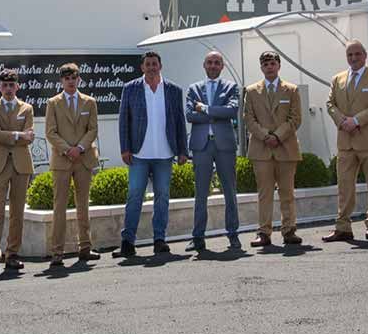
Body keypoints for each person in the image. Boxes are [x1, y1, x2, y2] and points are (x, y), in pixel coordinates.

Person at [115, 51, 188, 257]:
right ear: (142, 67)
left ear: (160, 66)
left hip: (165, 154)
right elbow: (123, 121)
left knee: (162, 197)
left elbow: (180, 121)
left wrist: (182, 150)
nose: (151, 67)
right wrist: (125, 148)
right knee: (134, 196)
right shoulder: (130, 89)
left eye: (154, 64)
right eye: (147, 64)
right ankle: (128, 241)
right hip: (139, 153)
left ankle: (159, 239)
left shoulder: (173, 90)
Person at [323, 40, 368, 242]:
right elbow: (330, 103)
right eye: (350, 55)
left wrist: (356, 121)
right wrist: (342, 120)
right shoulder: (337, 79)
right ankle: (343, 227)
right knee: (344, 187)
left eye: (357, 54)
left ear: (365, 55)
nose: (353, 58)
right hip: (346, 141)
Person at [243, 51, 303, 247]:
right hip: (261, 149)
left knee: (287, 192)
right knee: (264, 193)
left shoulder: (292, 90)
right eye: (265, 64)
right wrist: (265, 136)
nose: (269, 67)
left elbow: (295, 119)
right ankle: (264, 232)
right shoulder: (251, 91)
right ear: (261, 67)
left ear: (279, 65)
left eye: (272, 63)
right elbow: (248, 119)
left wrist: (277, 136)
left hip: (285, 148)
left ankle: (289, 230)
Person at [45, 63, 101, 265]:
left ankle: (85, 247)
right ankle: (57, 252)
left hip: (83, 159)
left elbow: (93, 130)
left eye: (73, 78)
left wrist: (80, 148)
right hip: (62, 159)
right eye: (66, 78)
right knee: (59, 206)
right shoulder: (53, 102)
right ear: (61, 81)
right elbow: (50, 132)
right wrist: (68, 149)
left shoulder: (89, 102)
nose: (70, 81)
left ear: (79, 79)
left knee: (83, 205)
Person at [185, 51, 241, 252]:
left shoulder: (231, 87)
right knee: (201, 193)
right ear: (204, 65)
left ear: (222, 66)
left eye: (217, 63)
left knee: (229, 191)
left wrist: (206, 109)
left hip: (224, 144)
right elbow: (190, 115)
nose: (213, 66)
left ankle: (233, 234)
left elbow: (231, 111)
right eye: (209, 62)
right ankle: (198, 237)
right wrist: (216, 113)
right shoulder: (194, 88)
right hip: (202, 145)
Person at [0, 69, 35, 275]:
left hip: (21, 164)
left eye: (12, 85)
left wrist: (16, 135)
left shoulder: (27, 108)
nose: (8, 88)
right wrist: (18, 134)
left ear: (17, 86)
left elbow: (30, 136)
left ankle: (12, 254)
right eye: (5, 85)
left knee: (17, 212)